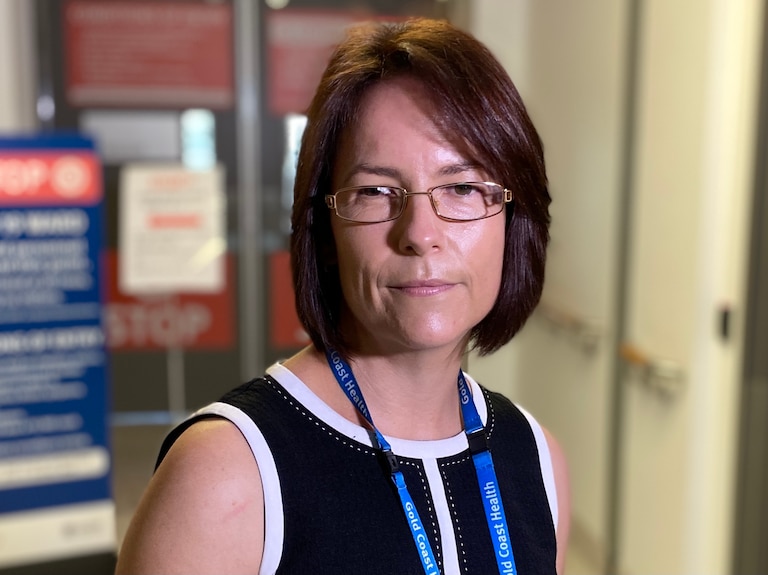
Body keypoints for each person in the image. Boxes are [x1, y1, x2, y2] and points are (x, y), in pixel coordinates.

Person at [115, 16, 569, 575]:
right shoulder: (228, 472)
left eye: (463, 187)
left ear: (513, 217)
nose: (420, 233)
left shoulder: (536, 459)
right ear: (325, 228)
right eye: (376, 191)